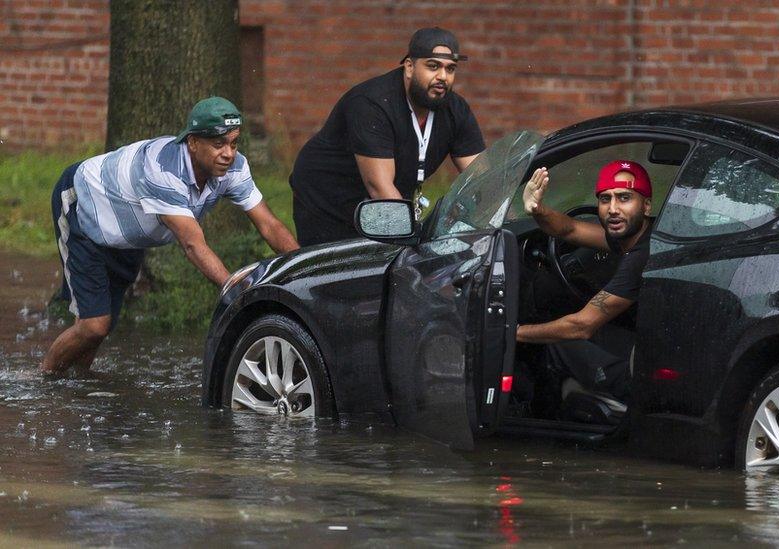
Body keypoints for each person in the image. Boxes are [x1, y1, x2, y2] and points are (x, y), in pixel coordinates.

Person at [41, 96, 299, 375]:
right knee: (93, 324)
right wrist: (235, 291)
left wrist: (302, 270)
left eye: (234, 143)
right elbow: (191, 244)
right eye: (218, 144)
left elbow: (269, 225)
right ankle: (44, 379)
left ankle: (76, 384)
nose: (228, 153)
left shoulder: (233, 168)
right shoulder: (162, 171)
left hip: (125, 233)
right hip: (82, 206)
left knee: (102, 327)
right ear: (192, 142)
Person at [289, 27, 485, 245]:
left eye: (450, 69)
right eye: (433, 66)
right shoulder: (372, 104)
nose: (442, 77)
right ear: (409, 67)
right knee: (342, 270)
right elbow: (379, 188)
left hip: (383, 203)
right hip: (328, 199)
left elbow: (482, 177)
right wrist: (415, 239)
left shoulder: (455, 110)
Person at [516, 160, 654, 403]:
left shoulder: (641, 256)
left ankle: (606, 404)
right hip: (645, 345)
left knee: (555, 342)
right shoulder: (633, 236)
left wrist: (514, 332)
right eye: (605, 199)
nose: (613, 209)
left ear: (646, 206)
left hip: (642, 371)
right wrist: (537, 209)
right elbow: (568, 230)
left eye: (624, 198)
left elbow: (581, 326)